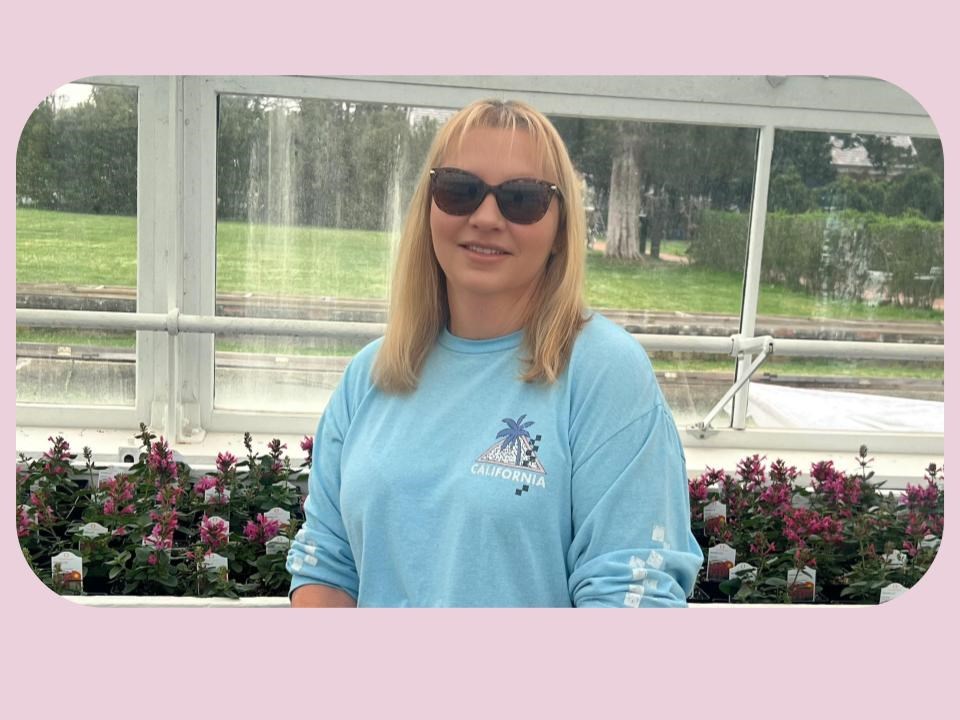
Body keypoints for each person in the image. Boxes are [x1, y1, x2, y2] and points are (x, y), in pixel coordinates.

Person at [287, 99, 703, 607]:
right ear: (429, 208)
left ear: (559, 230)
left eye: (522, 199)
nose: (485, 217)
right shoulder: (370, 375)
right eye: (459, 190)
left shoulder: (605, 374)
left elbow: (630, 592)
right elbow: (327, 564)